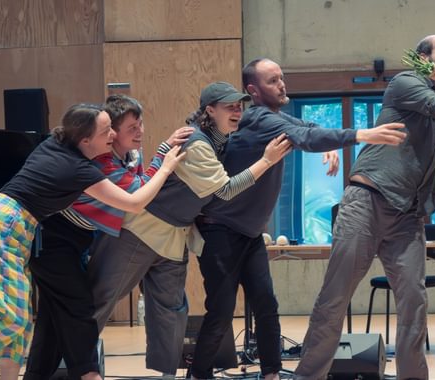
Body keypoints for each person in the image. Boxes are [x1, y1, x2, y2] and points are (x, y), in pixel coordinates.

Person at [293, 34, 435, 380]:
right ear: (424, 58)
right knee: (335, 298)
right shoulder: (406, 83)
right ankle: (308, 376)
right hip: (367, 202)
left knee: (415, 303)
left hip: (408, 216)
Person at [0, 103, 184, 380]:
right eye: (106, 131)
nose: (112, 135)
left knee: (21, 325)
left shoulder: (58, 143)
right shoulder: (80, 170)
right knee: (11, 318)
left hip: (10, 227)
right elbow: (135, 203)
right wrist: (166, 166)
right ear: (85, 140)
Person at [187, 59, 408, 380]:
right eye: (273, 80)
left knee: (266, 304)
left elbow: (306, 131)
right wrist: (364, 133)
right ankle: (199, 374)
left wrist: (324, 148)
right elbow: (305, 136)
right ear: (255, 90)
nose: (282, 84)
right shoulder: (260, 118)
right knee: (221, 311)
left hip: (247, 234)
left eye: (282, 78)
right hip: (219, 230)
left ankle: (272, 374)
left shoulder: (273, 118)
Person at [87, 85, 290, 379]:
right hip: (141, 232)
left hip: (174, 237)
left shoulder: (215, 141)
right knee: (100, 300)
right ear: (210, 110)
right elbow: (226, 189)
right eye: (230, 106)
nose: (238, 112)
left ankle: (170, 375)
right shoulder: (197, 142)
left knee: (171, 312)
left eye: (239, 106)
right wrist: (267, 160)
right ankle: (75, 366)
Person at [21, 95, 193, 380]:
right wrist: (163, 156)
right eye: (131, 128)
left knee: (54, 318)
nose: (139, 132)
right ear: (102, 136)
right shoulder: (97, 165)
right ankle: (87, 373)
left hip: (74, 241)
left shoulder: (127, 155)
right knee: (80, 308)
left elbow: (140, 181)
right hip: (52, 240)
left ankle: (41, 375)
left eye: (140, 125)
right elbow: (138, 197)